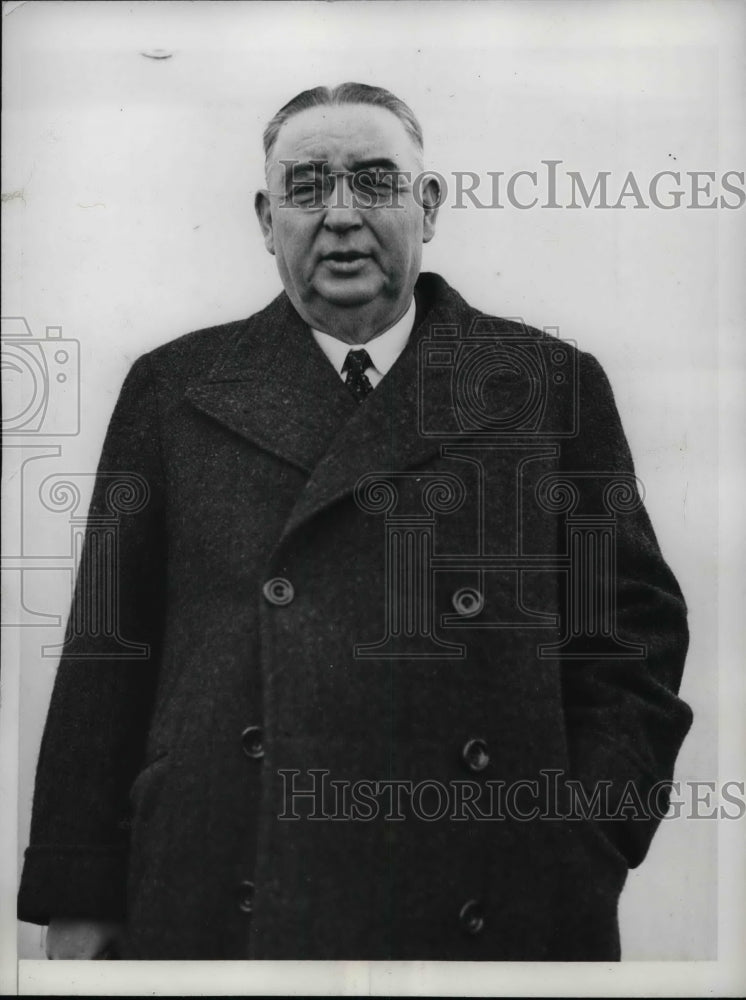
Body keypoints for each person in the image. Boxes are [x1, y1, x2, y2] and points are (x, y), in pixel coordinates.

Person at [18, 82, 692, 961]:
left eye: (375, 182)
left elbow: (632, 644)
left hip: (493, 896)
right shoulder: (173, 389)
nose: (339, 215)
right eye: (307, 186)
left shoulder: (549, 387)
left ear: (430, 205)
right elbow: (106, 656)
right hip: (221, 889)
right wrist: (80, 894)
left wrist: (578, 842)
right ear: (267, 219)